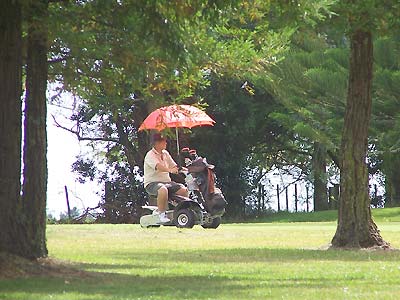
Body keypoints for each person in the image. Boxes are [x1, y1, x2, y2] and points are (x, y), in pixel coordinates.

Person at [143, 133, 188, 223]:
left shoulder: (165, 154)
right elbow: (158, 167)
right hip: (152, 184)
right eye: (163, 141)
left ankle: (182, 212)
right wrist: (170, 170)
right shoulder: (150, 155)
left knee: (183, 189)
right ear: (156, 143)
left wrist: (182, 169)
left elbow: (174, 166)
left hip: (167, 182)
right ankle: (161, 214)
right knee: (162, 189)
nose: (166, 143)